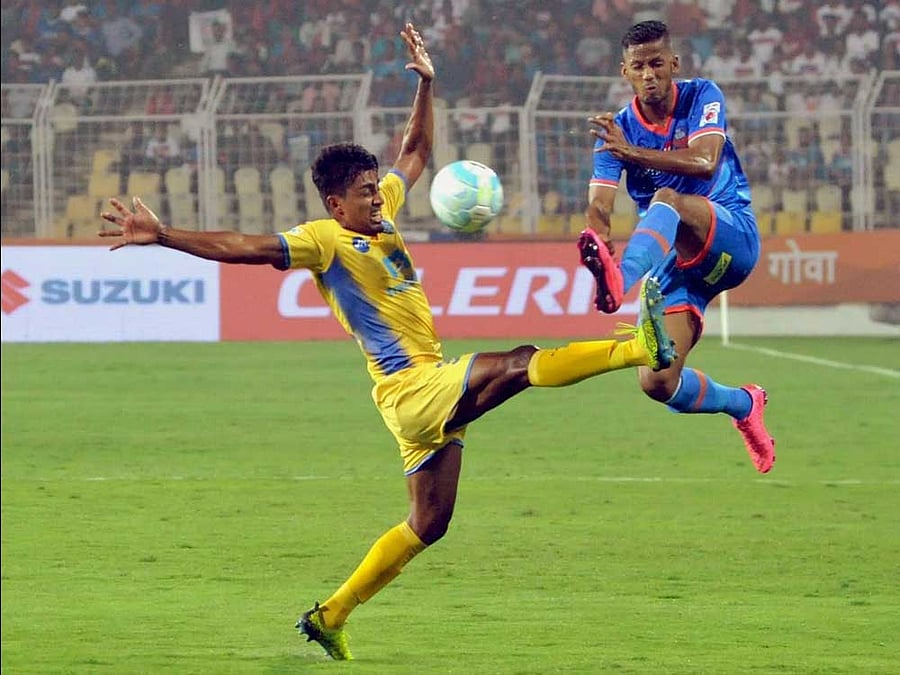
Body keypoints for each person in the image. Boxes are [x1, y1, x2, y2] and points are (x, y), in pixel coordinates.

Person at [99, 23, 676, 661]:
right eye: (365, 193)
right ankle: (637, 348)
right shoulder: (325, 239)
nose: (379, 197)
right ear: (333, 202)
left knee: (430, 523)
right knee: (515, 364)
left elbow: (416, 152)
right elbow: (246, 248)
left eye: (377, 189)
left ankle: (330, 615)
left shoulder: (382, 213)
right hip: (411, 388)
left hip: (412, 394)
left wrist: (426, 85)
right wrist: (165, 235)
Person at [576, 20, 775, 475]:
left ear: (674, 64)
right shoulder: (616, 133)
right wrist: (599, 238)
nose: (650, 75)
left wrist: (633, 155)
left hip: (730, 235)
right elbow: (600, 206)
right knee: (657, 381)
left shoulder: (702, 95)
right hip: (679, 266)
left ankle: (620, 282)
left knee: (666, 200)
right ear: (624, 71)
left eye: (657, 64)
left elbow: (704, 163)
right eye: (639, 66)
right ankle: (744, 404)